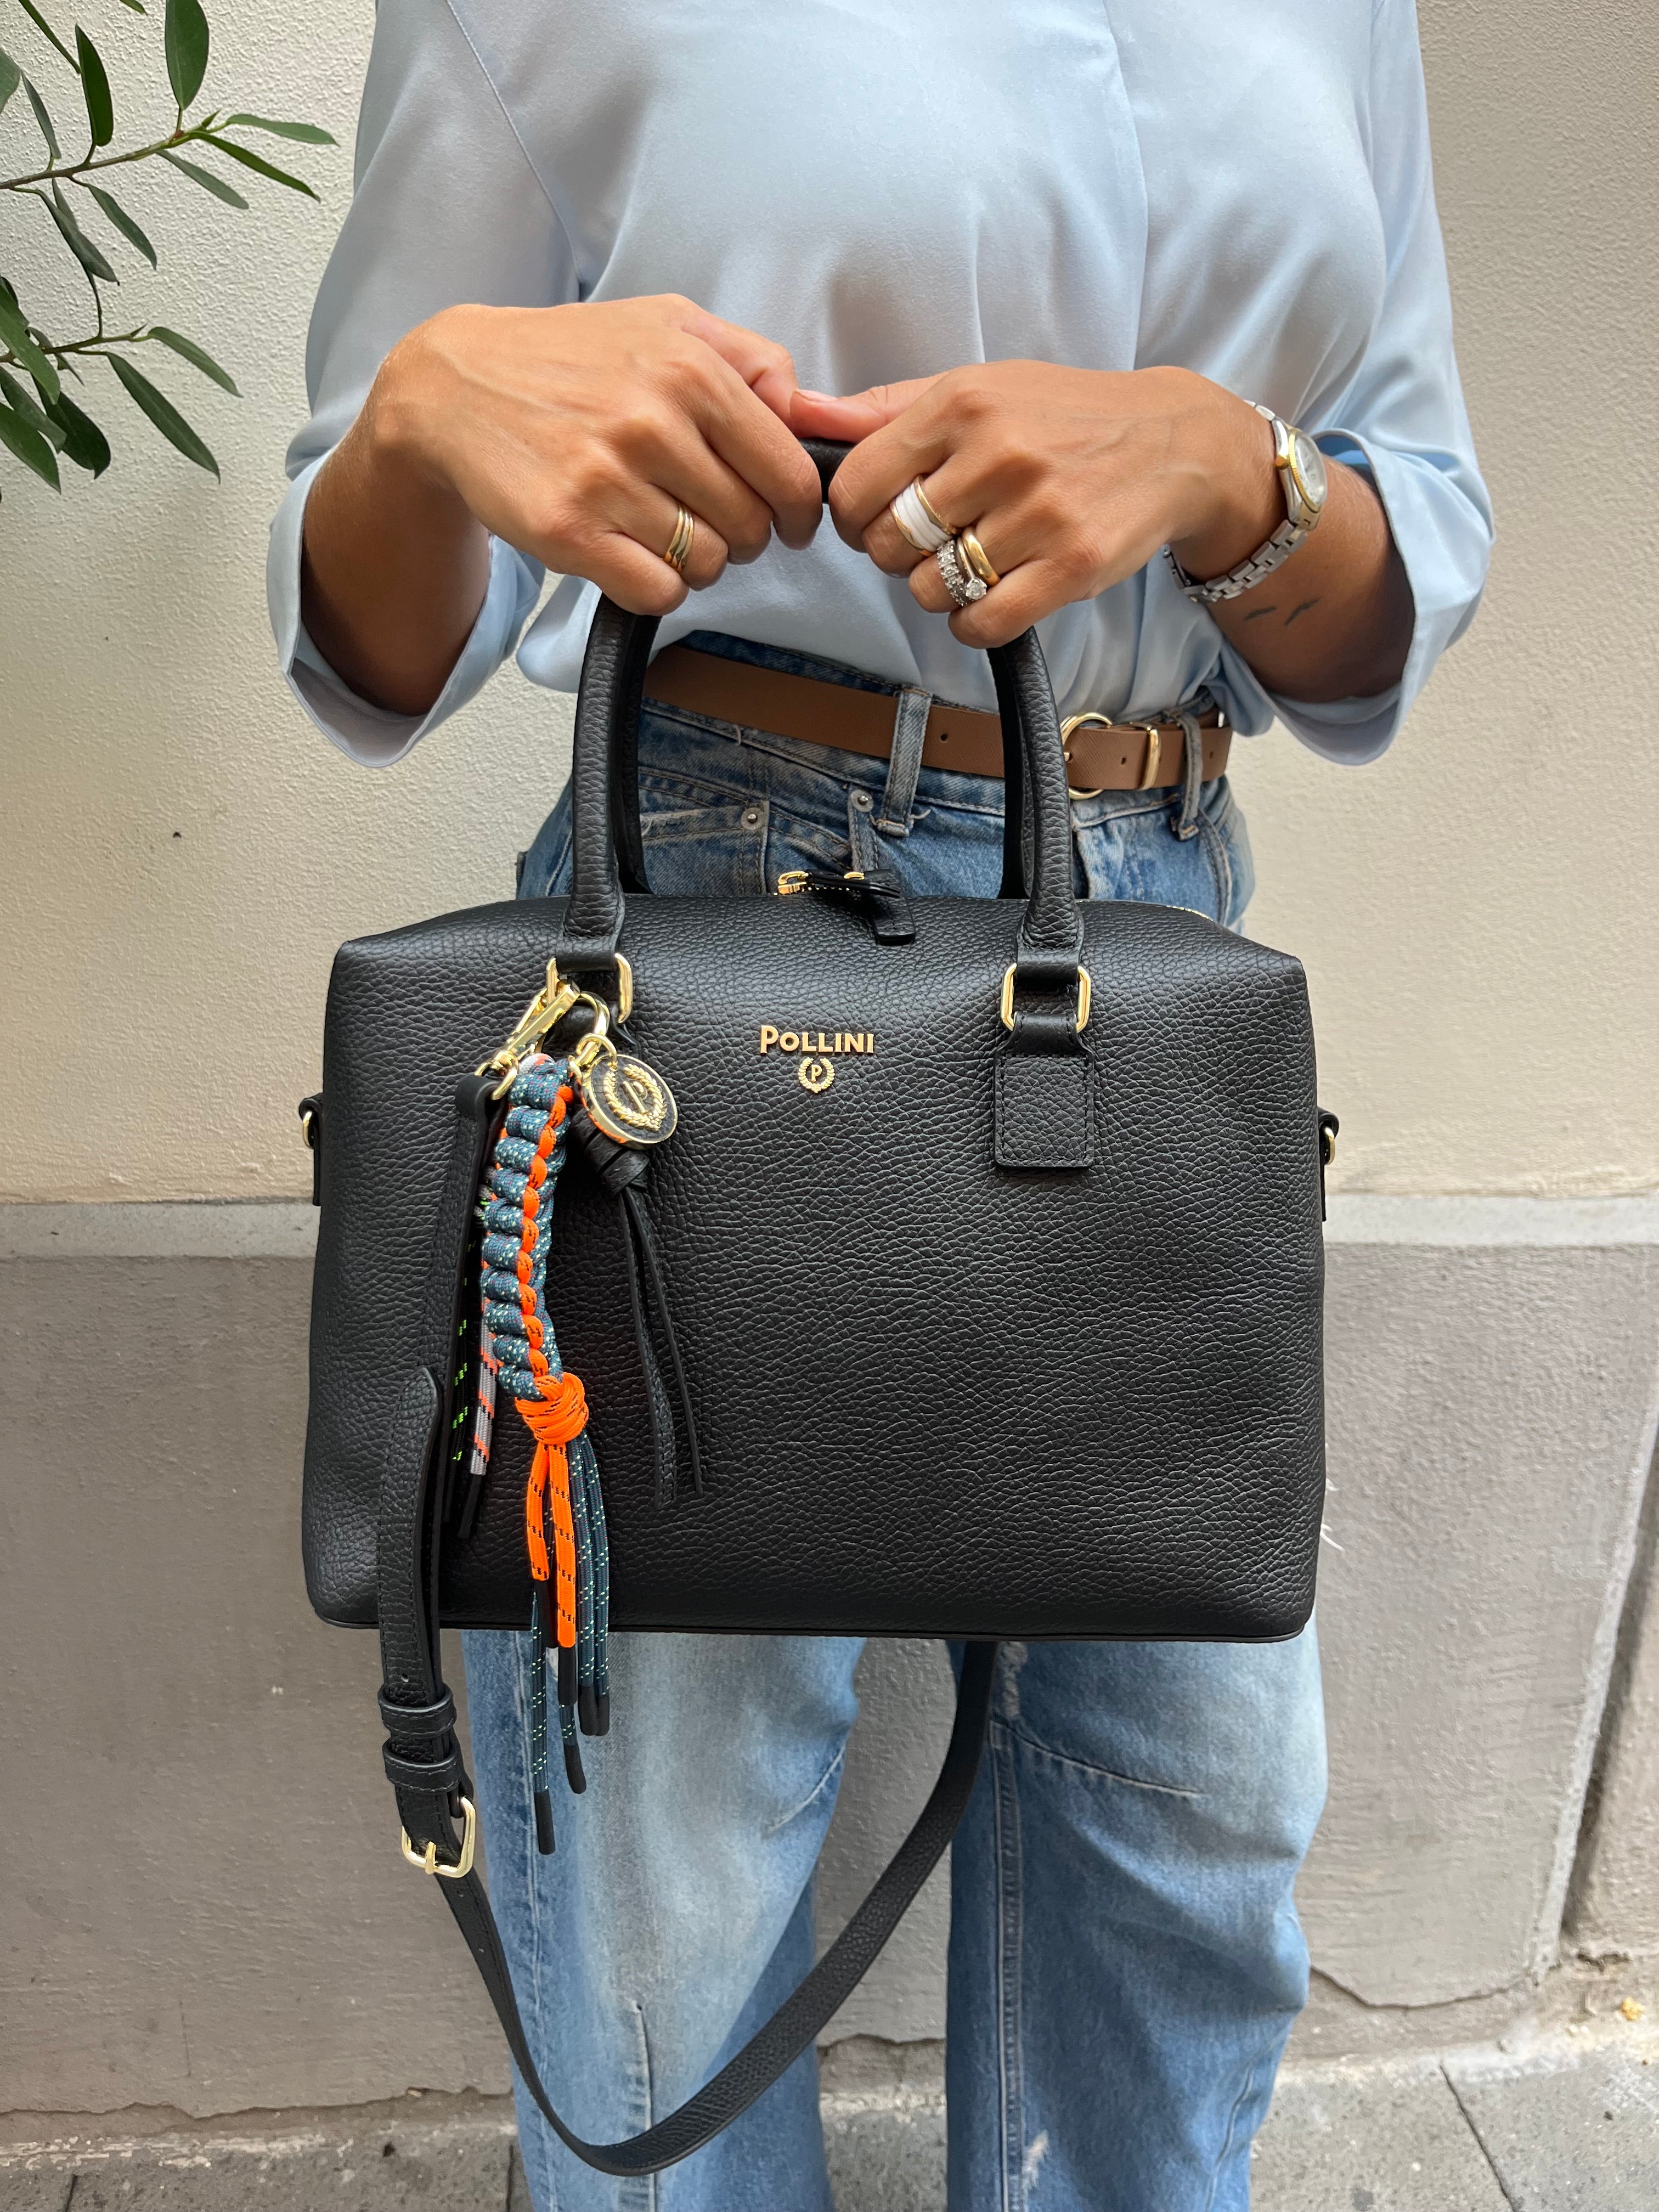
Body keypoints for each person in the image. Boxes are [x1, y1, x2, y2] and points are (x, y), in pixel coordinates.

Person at [270, 2, 1491, 2204]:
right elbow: (373, 646)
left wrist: (1234, 467)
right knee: (669, 1894)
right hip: (700, 931)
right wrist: (428, 410)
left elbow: (1400, 565)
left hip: (1150, 919)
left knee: (1197, 1841)